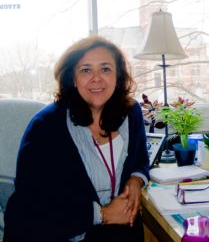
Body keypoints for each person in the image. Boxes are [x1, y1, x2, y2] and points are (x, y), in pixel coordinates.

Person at [4, 35, 150, 242]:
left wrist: (136, 179)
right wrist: (103, 214)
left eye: (106, 69)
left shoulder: (131, 112)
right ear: (72, 78)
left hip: (117, 232)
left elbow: (140, 159)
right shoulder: (45, 127)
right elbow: (32, 206)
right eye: (86, 70)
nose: (97, 78)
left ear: (117, 77)